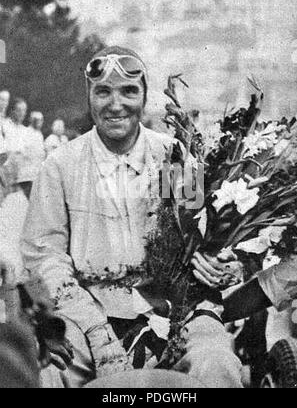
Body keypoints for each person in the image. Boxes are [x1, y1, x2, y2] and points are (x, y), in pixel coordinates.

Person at [21, 46, 243, 388]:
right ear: (89, 96)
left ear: (144, 95)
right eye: (103, 92)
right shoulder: (60, 166)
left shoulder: (174, 155)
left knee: (217, 362)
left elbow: (198, 236)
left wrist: (217, 262)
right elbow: (45, 257)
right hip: (85, 315)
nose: (115, 104)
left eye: (128, 91)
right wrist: (96, 330)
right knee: (48, 371)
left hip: (174, 312)